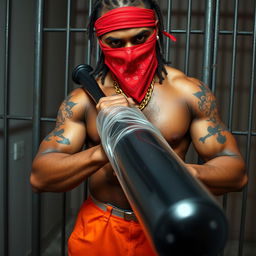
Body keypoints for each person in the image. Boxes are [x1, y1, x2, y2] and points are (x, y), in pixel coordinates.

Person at [30, 0, 248, 255]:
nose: (130, 52)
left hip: (168, 228)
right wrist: (110, 148)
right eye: (116, 42)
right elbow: (40, 177)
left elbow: (236, 173)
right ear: (100, 40)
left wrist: (175, 173)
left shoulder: (188, 93)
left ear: (156, 30)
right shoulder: (82, 101)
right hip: (103, 225)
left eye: (140, 37)